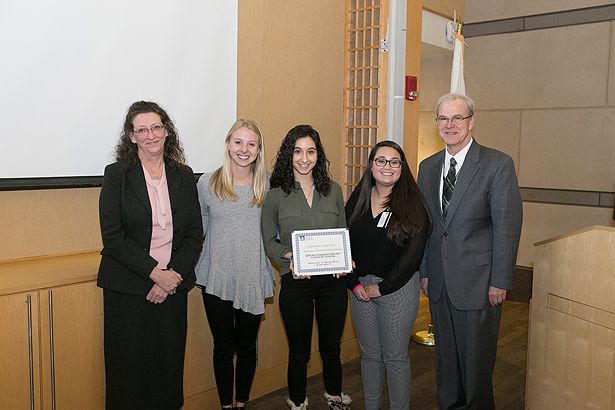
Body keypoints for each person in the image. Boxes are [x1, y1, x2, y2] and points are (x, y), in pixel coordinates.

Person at [417, 93, 523, 410]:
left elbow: (508, 225)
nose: (450, 125)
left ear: (471, 121)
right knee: (446, 363)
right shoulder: (428, 167)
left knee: (477, 366)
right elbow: (425, 226)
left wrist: (500, 280)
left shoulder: (497, 164)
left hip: (480, 284)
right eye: (443, 118)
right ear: (437, 123)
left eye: (457, 118)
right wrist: (424, 270)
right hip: (439, 282)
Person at [97, 101, 203, 410]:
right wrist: (155, 273)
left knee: (167, 367)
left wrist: (171, 278)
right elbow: (113, 236)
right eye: (141, 130)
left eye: (156, 127)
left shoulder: (183, 175)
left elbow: (195, 234)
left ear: (167, 131)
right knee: (127, 371)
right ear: (131, 136)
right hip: (128, 288)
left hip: (173, 286)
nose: (150, 135)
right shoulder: (117, 174)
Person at [261, 124, 351, 410]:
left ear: (318, 155)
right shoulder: (276, 195)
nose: (304, 158)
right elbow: (268, 242)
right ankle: (297, 402)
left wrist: (344, 259)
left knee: (331, 349)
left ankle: (335, 397)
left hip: (333, 283)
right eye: (297, 151)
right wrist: (288, 256)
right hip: (296, 281)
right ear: (289, 155)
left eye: (310, 151)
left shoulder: (333, 190)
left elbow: (342, 233)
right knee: (298, 351)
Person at [345, 140, 431, 410]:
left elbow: (413, 256)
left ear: (402, 168)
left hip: (397, 290)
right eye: (381, 160)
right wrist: (354, 284)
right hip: (360, 290)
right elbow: (342, 243)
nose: (387, 166)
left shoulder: (412, 204)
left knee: (395, 358)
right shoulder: (357, 199)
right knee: (370, 357)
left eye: (394, 162)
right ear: (371, 166)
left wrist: (384, 288)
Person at [195, 119, 274, 410]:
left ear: (258, 149)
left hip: (253, 275)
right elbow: (199, 227)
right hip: (216, 275)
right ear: (228, 144)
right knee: (222, 348)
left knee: (247, 348)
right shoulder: (207, 182)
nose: (244, 149)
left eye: (251, 144)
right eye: (238, 142)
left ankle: (242, 403)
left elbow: (277, 227)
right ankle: (225, 405)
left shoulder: (268, 183)